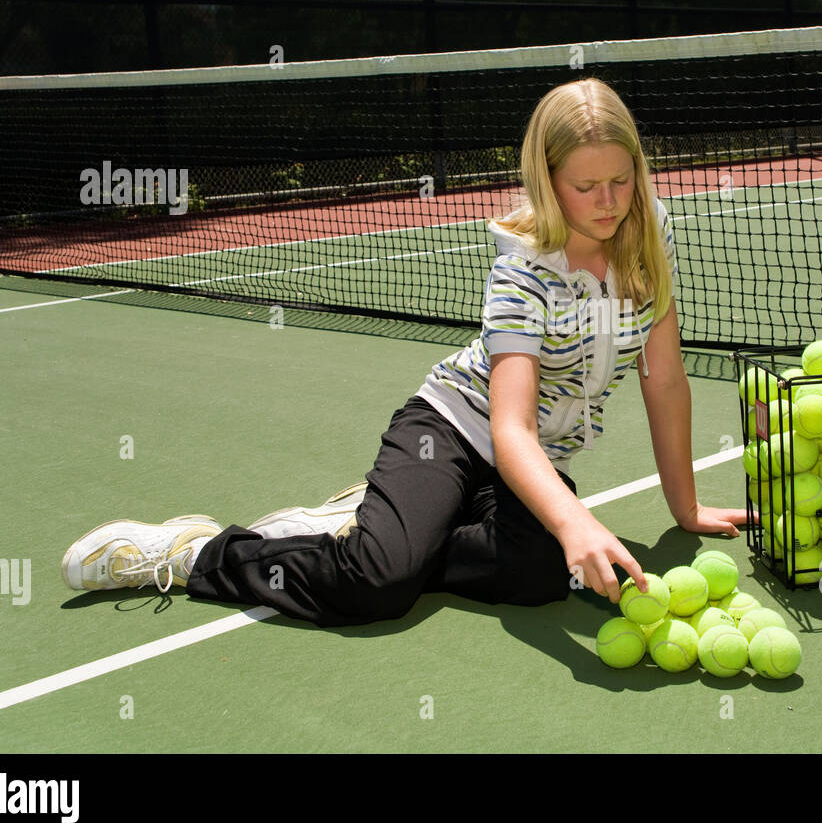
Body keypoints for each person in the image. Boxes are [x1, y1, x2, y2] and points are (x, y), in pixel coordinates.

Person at [61, 78, 747, 627]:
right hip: (452, 429)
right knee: (376, 585)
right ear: (546, 178)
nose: (608, 203)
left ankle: (398, 525)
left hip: (532, 460)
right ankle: (196, 553)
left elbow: (665, 380)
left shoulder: (648, 237)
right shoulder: (523, 271)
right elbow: (507, 429)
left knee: (541, 577)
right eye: (584, 186)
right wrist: (572, 520)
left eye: (621, 182)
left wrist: (684, 509)